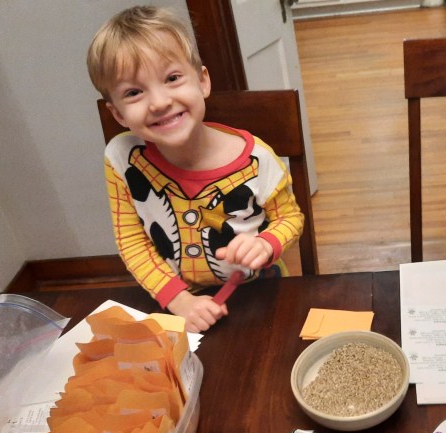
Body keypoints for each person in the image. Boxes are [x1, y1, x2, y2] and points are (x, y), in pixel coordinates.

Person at [86, 6, 304, 332]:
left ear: (202, 81)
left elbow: (291, 219)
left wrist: (265, 244)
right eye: (134, 92)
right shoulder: (121, 159)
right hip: (176, 298)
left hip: (258, 290)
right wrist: (180, 301)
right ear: (117, 114)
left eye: (172, 78)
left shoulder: (257, 159)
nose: (159, 102)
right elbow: (133, 243)